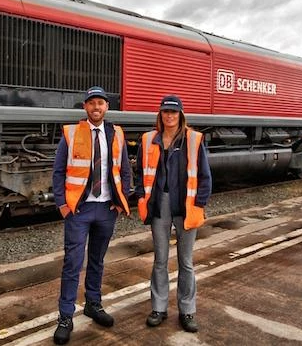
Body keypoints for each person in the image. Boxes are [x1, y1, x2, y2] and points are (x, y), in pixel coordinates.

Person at [51, 86, 132, 345]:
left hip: (106, 208)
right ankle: (65, 316)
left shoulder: (117, 134)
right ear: (85, 107)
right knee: (73, 263)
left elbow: (126, 170)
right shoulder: (71, 133)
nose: (96, 107)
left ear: (106, 107)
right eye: (91, 103)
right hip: (80, 209)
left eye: (100, 103)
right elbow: (58, 172)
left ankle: (93, 304)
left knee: (97, 260)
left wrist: (121, 203)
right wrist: (63, 204)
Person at [131, 94, 212, 333]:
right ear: (160, 114)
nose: (169, 116)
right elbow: (139, 172)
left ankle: (187, 311)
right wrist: (140, 196)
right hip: (159, 205)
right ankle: (159, 307)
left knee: (186, 262)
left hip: (186, 205)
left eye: (174, 112)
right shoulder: (148, 139)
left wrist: (200, 203)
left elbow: (205, 176)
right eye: (166, 111)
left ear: (181, 115)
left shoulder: (193, 139)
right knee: (160, 260)